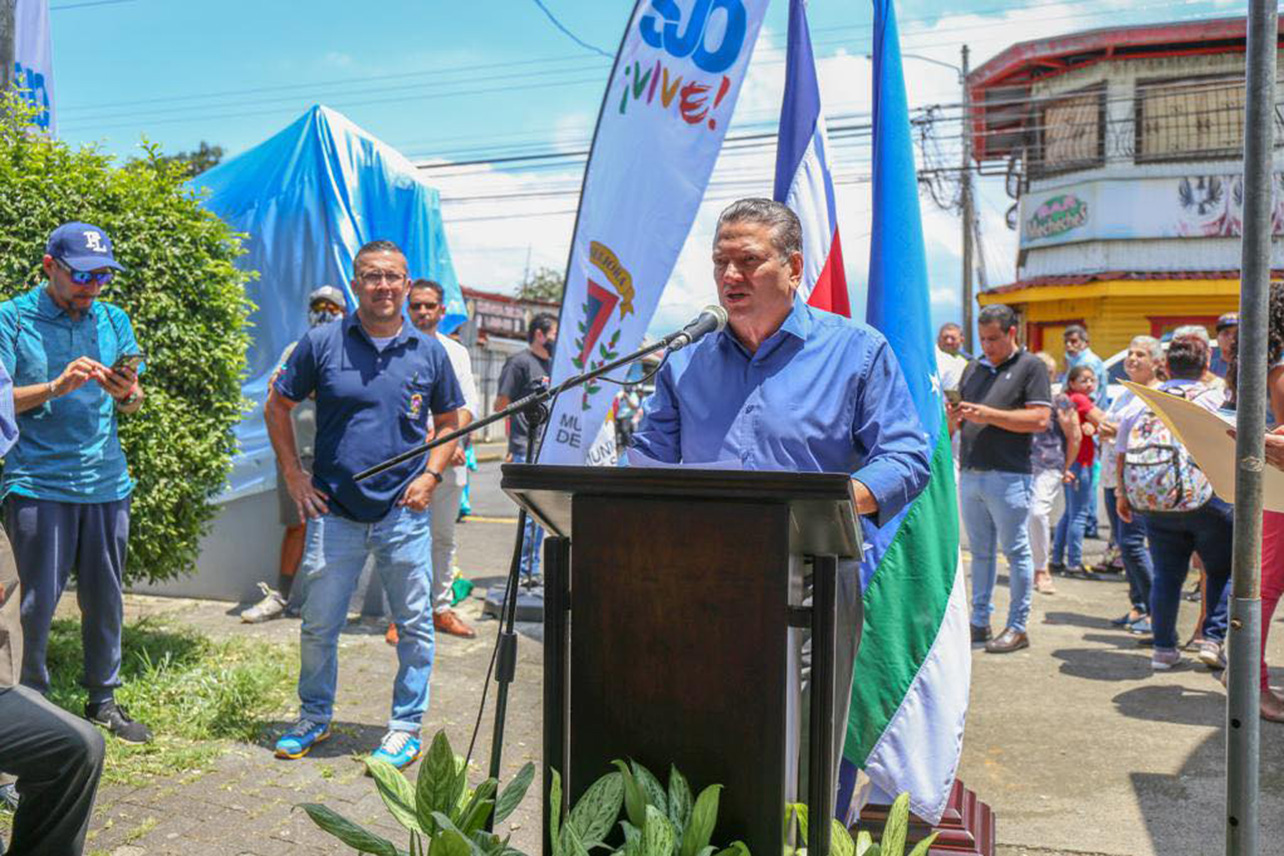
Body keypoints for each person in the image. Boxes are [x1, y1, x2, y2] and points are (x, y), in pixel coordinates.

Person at [630, 198, 930, 798]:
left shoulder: (856, 351)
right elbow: (646, 460)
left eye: (749, 261)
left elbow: (906, 457)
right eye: (721, 263)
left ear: (793, 267)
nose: (730, 277)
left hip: (811, 575)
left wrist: (839, 499)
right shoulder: (684, 360)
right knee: (699, 730)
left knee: (800, 747)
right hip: (695, 577)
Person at [266, 240, 463, 768]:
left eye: (393, 276)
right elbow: (277, 404)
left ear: (406, 283)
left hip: (405, 512)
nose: (383, 286)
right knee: (318, 624)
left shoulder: (430, 351)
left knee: (415, 625)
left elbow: (451, 422)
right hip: (334, 512)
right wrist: (293, 475)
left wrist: (430, 475)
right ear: (356, 284)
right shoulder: (321, 343)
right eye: (372, 276)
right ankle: (313, 716)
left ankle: (404, 726)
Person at [0, 222, 152, 744]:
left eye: (103, 276)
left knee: (106, 597)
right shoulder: (13, 318)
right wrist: (55, 386)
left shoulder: (113, 318)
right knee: (34, 604)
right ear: (49, 267)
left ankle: (103, 699)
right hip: (36, 483)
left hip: (107, 482)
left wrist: (126, 391)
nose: (93, 287)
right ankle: (29, 708)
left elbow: (134, 402)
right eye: (82, 276)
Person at [1116, 336, 1231, 672]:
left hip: (1156, 502)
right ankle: (1211, 639)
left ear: (1166, 366)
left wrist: (1124, 495)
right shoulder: (1216, 396)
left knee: (1167, 575)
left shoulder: (1146, 400)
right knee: (1221, 570)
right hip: (1207, 500)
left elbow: (1122, 449)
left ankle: (1163, 650)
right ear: (1206, 365)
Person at [242, 286, 348, 623]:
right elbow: (278, 397)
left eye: (332, 306)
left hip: (337, 457)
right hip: (299, 455)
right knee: (297, 525)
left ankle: (323, 601)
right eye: (319, 306)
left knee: (337, 529)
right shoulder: (296, 348)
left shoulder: (351, 350)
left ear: (345, 311)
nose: (325, 312)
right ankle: (282, 596)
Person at [951, 304, 1052, 654]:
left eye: (994, 338)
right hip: (973, 472)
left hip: (1009, 475)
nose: (988, 346)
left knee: (1016, 551)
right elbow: (959, 420)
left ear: (1012, 333)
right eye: (982, 339)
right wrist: (954, 414)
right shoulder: (974, 368)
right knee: (979, 553)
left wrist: (988, 415)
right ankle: (979, 622)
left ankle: (1017, 626)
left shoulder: (1031, 367)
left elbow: (1040, 419)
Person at [406, 278, 480, 639]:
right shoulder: (395, 349)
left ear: (442, 311)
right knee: (405, 539)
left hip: (449, 461)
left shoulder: (456, 353)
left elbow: (468, 406)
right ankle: (401, 614)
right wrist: (428, 438)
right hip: (407, 463)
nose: (422, 312)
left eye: (429, 306)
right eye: (416, 305)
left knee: (443, 538)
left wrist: (447, 440)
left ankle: (440, 609)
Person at [1099, 336, 1161, 634]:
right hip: (1113, 477)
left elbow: (1146, 434)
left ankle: (1154, 610)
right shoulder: (1124, 392)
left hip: (1137, 481)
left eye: (1141, 354)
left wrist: (1111, 430)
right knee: (1124, 545)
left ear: (1156, 362)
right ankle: (1138, 605)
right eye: (1130, 353)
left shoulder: (1156, 394)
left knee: (1134, 545)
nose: (1133, 359)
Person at [493, 312, 557, 581]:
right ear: (540, 335)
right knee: (530, 516)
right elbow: (501, 404)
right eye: (554, 333)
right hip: (526, 447)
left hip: (549, 448)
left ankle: (531, 570)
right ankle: (525, 574)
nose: (557, 339)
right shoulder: (519, 362)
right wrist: (515, 435)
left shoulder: (555, 365)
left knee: (542, 516)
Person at [1027, 353, 1080, 596]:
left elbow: (1074, 437)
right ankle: (1028, 566)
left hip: (1049, 465)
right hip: (1018, 465)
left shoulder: (1061, 401)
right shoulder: (1020, 398)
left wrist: (1066, 467)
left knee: (1038, 513)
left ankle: (1042, 570)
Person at [1050, 366, 1107, 575]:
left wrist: (1094, 429)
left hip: (1072, 462)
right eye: (1084, 380)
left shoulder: (1068, 398)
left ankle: (1057, 559)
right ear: (1072, 382)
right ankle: (1074, 563)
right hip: (1080, 462)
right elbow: (1104, 420)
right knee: (1079, 514)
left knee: (1070, 513)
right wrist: (1099, 427)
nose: (1090, 384)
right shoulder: (1080, 400)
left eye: (1092, 380)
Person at [1210, 312, 1237, 378]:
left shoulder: (1255, 368)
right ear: (1217, 338)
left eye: (1237, 333)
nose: (1231, 338)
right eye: (1226, 333)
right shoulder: (1207, 369)